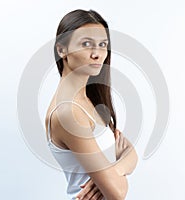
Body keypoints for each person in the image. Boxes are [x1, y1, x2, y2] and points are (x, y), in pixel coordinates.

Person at [45, 9, 138, 200]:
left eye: (102, 44)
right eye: (86, 44)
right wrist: (117, 170)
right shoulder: (68, 113)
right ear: (62, 50)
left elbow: (132, 154)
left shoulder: (89, 102)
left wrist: (113, 170)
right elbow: (117, 193)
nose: (97, 54)